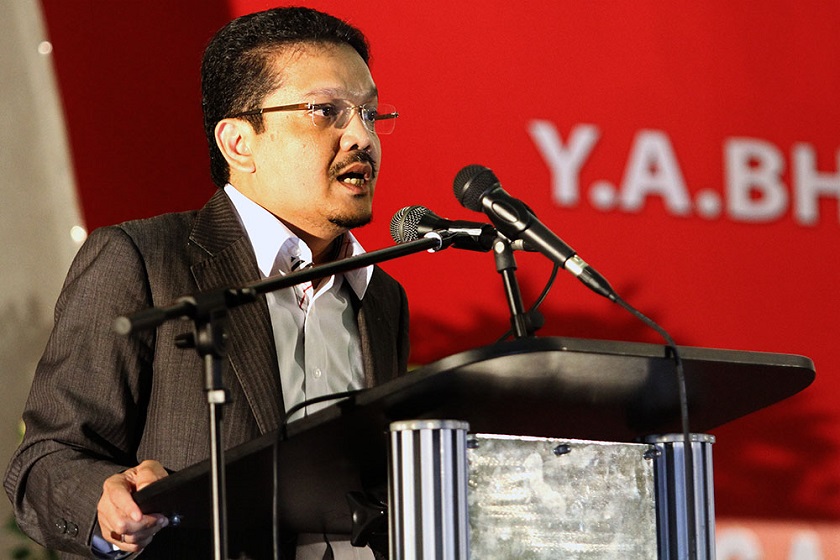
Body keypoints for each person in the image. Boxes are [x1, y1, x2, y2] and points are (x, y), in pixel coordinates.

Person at [4, 6, 409, 559]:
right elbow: (43, 462)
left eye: (368, 112)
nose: (361, 136)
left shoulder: (381, 297)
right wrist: (104, 505)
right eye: (326, 111)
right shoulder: (143, 261)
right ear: (239, 142)